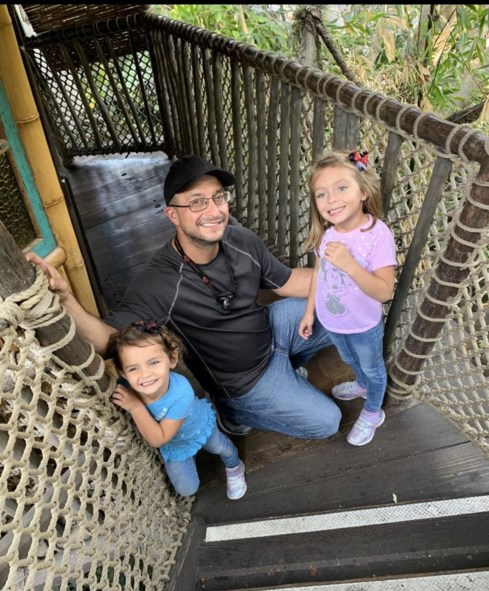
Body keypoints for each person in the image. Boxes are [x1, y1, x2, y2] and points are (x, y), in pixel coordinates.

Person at [27, 154, 342, 440]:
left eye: (218, 197)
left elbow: (288, 282)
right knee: (327, 422)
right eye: (197, 203)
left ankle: (287, 371)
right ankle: (233, 413)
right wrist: (66, 298)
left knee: (342, 309)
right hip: (242, 380)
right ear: (173, 215)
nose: (213, 210)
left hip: (271, 329)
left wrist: (351, 276)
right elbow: (106, 341)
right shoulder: (160, 282)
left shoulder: (240, 239)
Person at [299, 149, 397, 446]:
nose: (331, 199)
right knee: (348, 359)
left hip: (364, 325)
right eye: (322, 194)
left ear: (363, 192)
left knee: (372, 367)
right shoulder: (327, 233)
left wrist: (350, 265)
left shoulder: (378, 234)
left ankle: (372, 411)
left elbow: (384, 291)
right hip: (333, 322)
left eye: (341, 188)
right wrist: (309, 311)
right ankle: (364, 386)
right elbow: (318, 273)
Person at [108, 320, 247, 499]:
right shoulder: (128, 388)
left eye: (154, 362)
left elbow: (159, 439)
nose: (145, 374)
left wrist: (135, 407)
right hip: (176, 446)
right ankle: (191, 455)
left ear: (172, 359)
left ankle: (235, 466)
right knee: (187, 490)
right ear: (123, 372)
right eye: (133, 368)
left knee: (220, 447)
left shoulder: (182, 392)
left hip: (198, 427)